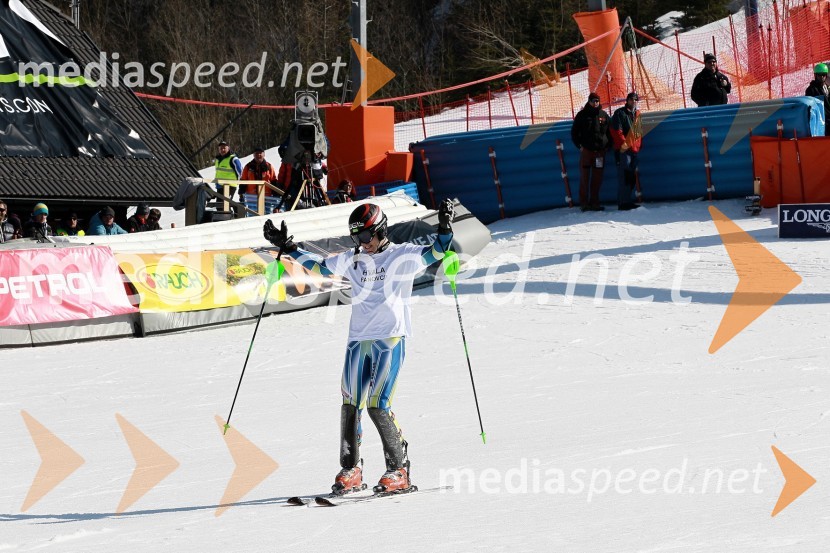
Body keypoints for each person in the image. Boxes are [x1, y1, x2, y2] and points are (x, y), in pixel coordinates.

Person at [262, 199, 455, 495]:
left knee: (379, 405)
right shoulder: (353, 259)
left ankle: (398, 470)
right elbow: (319, 267)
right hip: (358, 341)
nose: (361, 243)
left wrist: (444, 226)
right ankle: (351, 469)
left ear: (380, 230)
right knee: (350, 405)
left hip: (390, 339)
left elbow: (438, 251)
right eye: (356, 238)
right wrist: (288, 247)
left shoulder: (402, 255)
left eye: (365, 236)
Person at [571, 92, 610, 212]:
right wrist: (580, 146)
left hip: (600, 153)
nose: (595, 103)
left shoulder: (604, 115)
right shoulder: (582, 115)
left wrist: (607, 146)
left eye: (597, 101)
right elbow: (574, 133)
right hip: (587, 152)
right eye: (593, 101)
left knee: (597, 178)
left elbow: (609, 132)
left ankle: (595, 203)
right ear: (589, 101)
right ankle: (584, 203)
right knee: (585, 177)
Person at [610, 92, 643, 211]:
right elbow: (616, 132)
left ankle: (627, 201)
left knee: (631, 177)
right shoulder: (619, 113)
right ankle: (623, 203)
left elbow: (638, 132)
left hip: (634, 150)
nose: (634, 102)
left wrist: (638, 146)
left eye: (635, 100)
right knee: (624, 176)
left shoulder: (637, 114)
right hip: (623, 150)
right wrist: (626, 145)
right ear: (627, 100)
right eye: (631, 100)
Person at [805, 63, 830, 136]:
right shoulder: (811, 90)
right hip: (821, 122)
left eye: (823, 75)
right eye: (819, 75)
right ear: (815, 75)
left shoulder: (827, 87)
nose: (822, 77)